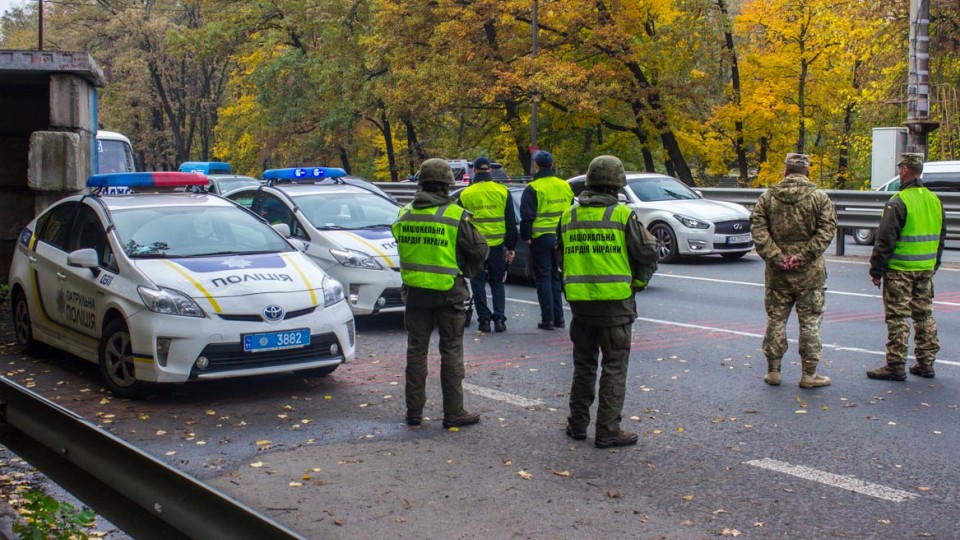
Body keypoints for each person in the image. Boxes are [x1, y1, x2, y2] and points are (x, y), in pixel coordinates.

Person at [558, 155, 659, 449]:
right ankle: (608, 431)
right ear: (617, 186)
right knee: (614, 368)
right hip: (616, 307)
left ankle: (577, 425)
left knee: (583, 366)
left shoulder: (568, 216)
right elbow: (647, 254)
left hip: (581, 306)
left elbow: (560, 258)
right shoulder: (623, 216)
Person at [392, 158, 489, 428]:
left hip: (415, 295)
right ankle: (453, 413)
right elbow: (480, 250)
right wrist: (464, 269)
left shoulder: (404, 213)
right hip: (449, 295)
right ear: (447, 185)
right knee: (451, 352)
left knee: (416, 352)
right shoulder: (455, 215)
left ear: (421, 183)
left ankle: (414, 413)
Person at [750, 153, 836, 388]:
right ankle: (809, 374)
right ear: (807, 172)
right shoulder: (819, 198)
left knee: (776, 319)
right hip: (810, 273)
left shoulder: (767, 198)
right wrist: (803, 256)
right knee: (809, 322)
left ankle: (774, 370)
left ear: (785, 171)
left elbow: (758, 230)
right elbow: (826, 231)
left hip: (778, 273)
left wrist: (777, 256)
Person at [866, 153, 945, 381]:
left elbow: (885, 239)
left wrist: (876, 270)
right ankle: (926, 363)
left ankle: (896, 365)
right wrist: (933, 265)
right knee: (923, 316)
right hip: (925, 269)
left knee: (898, 318)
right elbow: (941, 238)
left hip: (900, 270)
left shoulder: (898, 201)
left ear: (904, 170)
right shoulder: (934, 200)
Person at [458, 156, 518, 333]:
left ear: (474, 171)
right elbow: (510, 221)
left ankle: (484, 320)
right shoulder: (502, 191)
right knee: (497, 282)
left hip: (475, 246)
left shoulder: (466, 194)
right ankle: (500, 319)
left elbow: (460, 223)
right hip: (497, 245)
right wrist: (511, 247)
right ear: (490, 170)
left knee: (477, 282)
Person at [520, 150, 574, 330]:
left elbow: (527, 216)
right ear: (552, 164)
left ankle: (548, 318)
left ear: (536, 165)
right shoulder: (565, 186)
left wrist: (526, 236)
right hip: (561, 237)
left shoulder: (533, 187)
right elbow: (571, 210)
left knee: (543, 278)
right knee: (556, 276)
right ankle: (559, 318)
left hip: (541, 238)